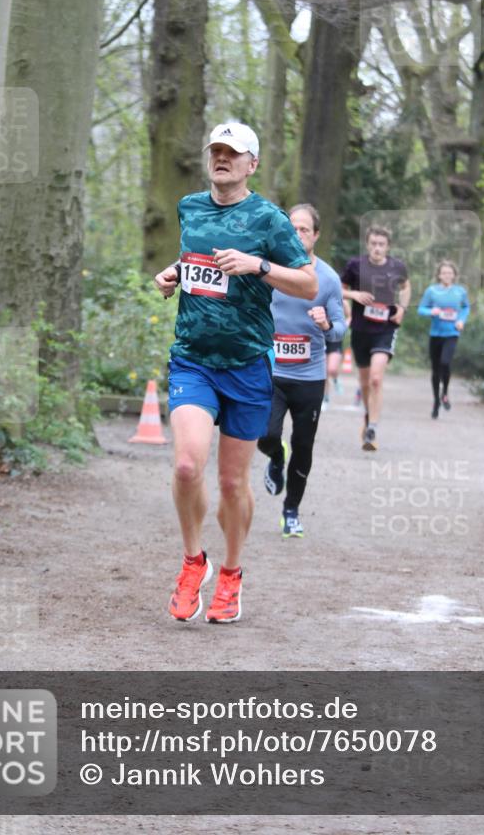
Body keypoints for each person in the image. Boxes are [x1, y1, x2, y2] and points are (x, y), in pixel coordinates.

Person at [154, 122, 317, 624]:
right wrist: (173, 273)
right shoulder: (189, 207)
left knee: (230, 483)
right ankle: (193, 562)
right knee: (187, 465)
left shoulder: (269, 219)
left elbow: (308, 284)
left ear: (252, 164)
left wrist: (257, 266)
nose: (222, 158)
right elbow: (195, 259)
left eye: (233, 152)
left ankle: (231, 572)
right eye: (216, 150)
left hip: (246, 365)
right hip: (194, 359)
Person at [257, 204, 346, 538]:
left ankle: (291, 510)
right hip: (273, 372)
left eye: (304, 229)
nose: (297, 235)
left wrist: (326, 325)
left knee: (304, 446)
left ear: (316, 235)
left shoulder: (328, 279)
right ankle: (276, 457)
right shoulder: (269, 270)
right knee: (265, 435)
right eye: (291, 228)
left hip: (309, 378)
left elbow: (339, 330)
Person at [341, 225, 411, 451]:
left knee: (376, 379)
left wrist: (402, 308)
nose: (377, 248)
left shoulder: (397, 266)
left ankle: (372, 427)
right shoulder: (355, 265)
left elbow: (406, 286)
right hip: (361, 330)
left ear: (388, 246)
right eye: (373, 244)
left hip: (385, 329)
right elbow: (339, 289)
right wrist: (354, 295)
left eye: (381, 244)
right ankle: (368, 415)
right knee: (364, 383)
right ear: (367, 244)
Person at [417, 259, 470, 418]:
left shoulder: (460, 291)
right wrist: (431, 312)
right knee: (435, 370)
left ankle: (445, 393)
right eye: (444, 273)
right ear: (439, 275)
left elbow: (466, 307)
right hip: (435, 334)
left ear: (454, 275)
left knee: (445, 362)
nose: (447, 275)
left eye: (449, 273)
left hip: (452, 333)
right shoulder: (432, 291)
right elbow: (421, 309)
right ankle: (436, 402)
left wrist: (461, 320)